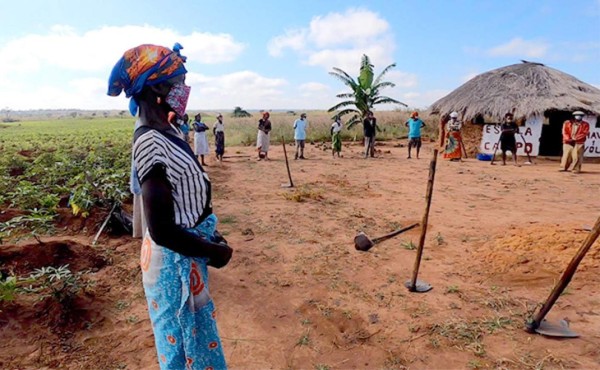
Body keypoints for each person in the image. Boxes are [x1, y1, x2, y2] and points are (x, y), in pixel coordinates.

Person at [108, 43, 232, 370]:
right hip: (174, 264)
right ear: (157, 87)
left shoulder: (169, 128)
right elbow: (162, 229)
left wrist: (209, 234)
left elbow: (182, 200)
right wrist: (211, 251)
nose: (185, 90)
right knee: (183, 349)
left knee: (194, 345)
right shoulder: (150, 140)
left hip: (186, 253)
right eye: (179, 82)